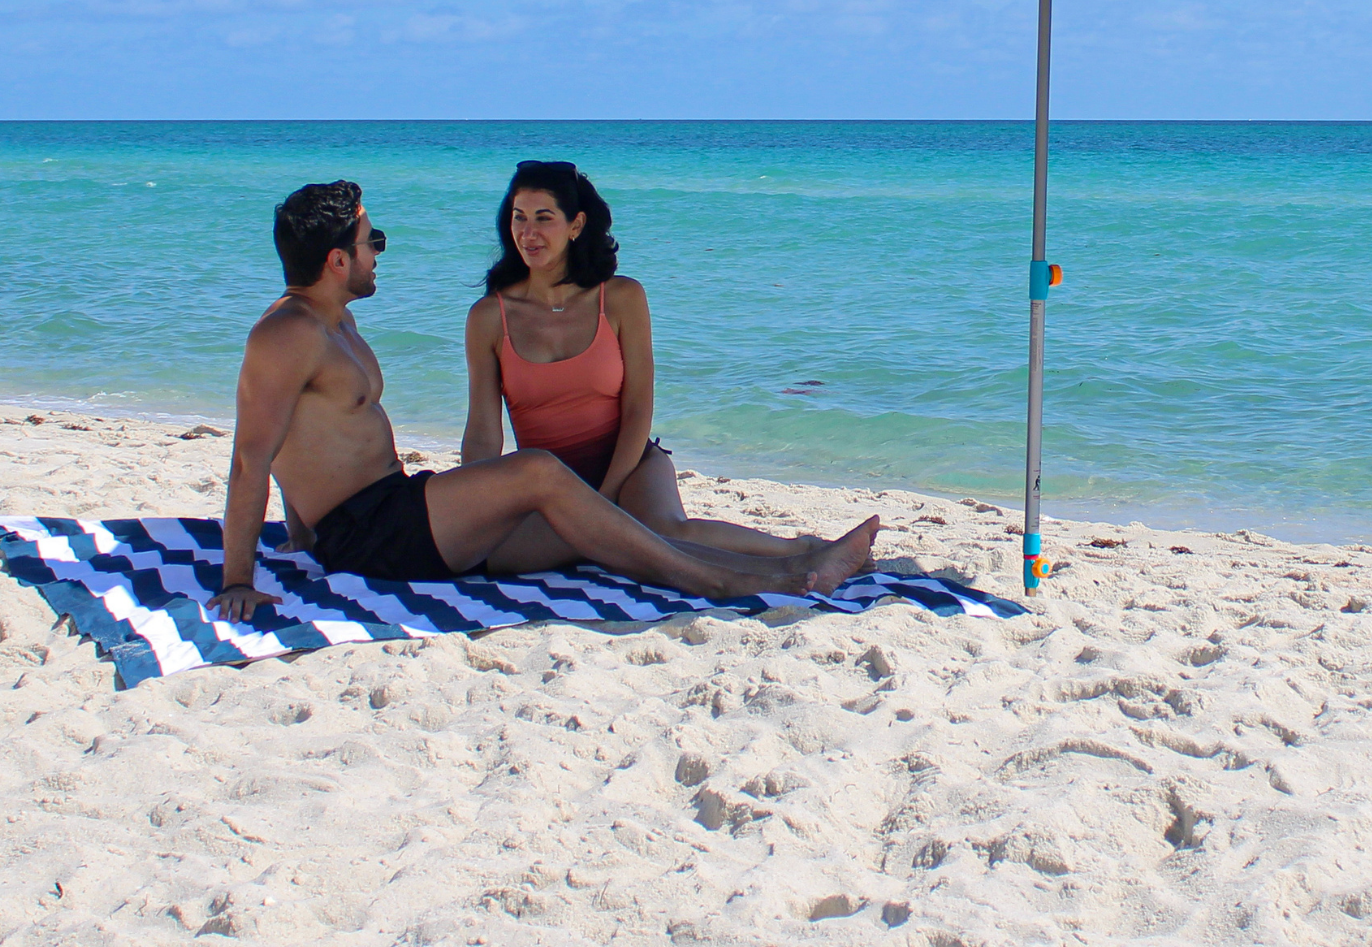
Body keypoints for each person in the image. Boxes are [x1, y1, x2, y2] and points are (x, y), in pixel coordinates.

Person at [206, 180, 877, 622]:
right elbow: (250, 458)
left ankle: (794, 565)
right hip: (374, 531)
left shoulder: (333, 323)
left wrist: (299, 532)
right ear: (335, 261)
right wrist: (239, 578)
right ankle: (727, 586)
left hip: (396, 517)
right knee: (540, 472)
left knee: (605, 534)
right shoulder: (286, 335)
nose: (379, 252)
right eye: (369, 241)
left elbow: (303, 441)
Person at [463, 159, 841, 571]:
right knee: (497, 557)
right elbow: (483, 430)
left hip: (628, 467)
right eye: (519, 218)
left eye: (543, 218)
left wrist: (604, 498)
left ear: (576, 225)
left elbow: (638, 408)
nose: (528, 232)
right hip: (547, 486)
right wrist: (476, 504)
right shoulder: (489, 317)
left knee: (662, 532)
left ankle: (804, 552)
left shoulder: (622, 298)